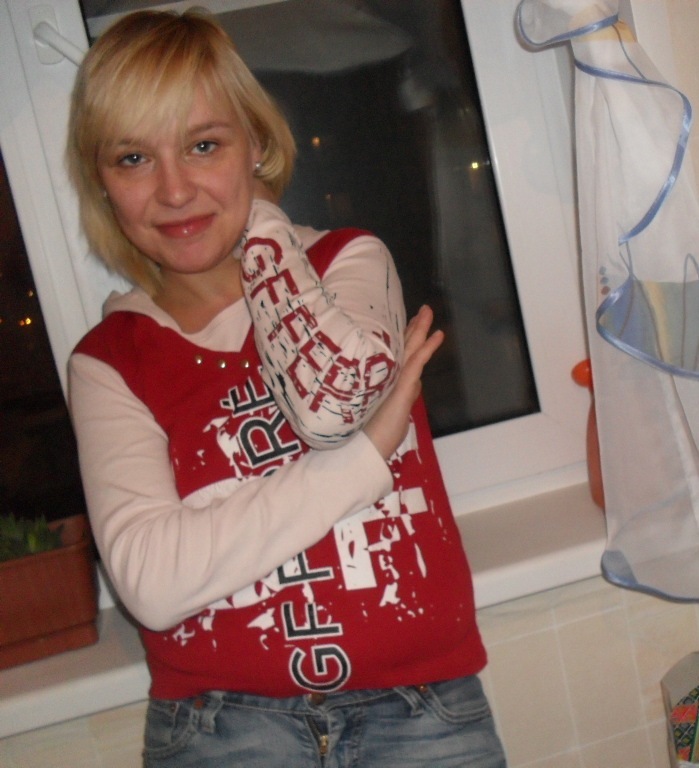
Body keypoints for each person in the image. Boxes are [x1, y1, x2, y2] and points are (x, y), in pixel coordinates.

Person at [66, 10, 506, 768]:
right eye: (133, 158)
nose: (174, 189)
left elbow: (328, 404)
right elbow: (153, 583)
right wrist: (365, 458)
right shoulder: (108, 360)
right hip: (220, 726)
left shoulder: (348, 263)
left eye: (205, 145)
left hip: (421, 707)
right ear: (102, 185)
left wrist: (263, 222)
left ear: (257, 145)